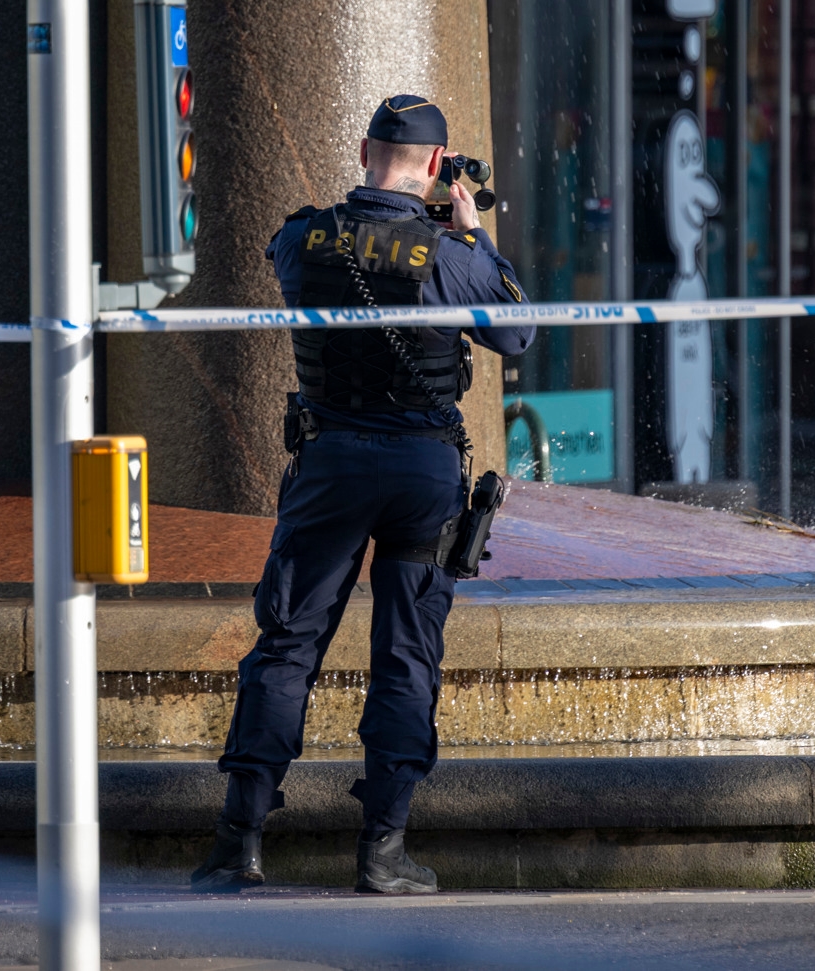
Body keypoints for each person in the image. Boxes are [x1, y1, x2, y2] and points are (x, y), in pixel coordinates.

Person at [191, 94, 534, 895]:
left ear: (361, 151)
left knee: (286, 645)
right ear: (437, 165)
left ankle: (239, 844)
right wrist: (470, 233)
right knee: (407, 655)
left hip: (331, 466)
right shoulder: (448, 256)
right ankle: (383, 850)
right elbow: (516, 330)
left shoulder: (300, 238)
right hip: (421, 473)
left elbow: (292, 255)